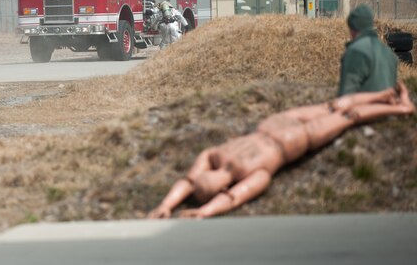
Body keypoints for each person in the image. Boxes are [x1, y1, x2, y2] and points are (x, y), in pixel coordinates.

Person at [147, 83, 414, 219]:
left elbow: (189, 179)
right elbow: (234, 199)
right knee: (349, 116)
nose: (208, 178)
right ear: (217, 188)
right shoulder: (255, 174)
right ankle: (402, 107)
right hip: (297, 139)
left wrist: (166, 204)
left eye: (206, 177)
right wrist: (204, 212)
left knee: (333, 106)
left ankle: (384, 94)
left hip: (275, 125)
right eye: (210, 184)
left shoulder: (216, 157)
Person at [338, 4, 398, 96]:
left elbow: (347, 94)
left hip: (363, 109)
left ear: (353, 28)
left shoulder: (356, 51)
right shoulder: (389, 53)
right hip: (389, 108)